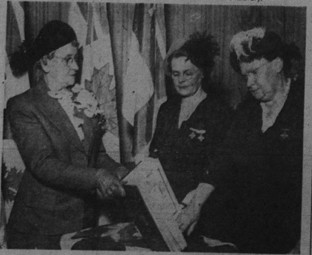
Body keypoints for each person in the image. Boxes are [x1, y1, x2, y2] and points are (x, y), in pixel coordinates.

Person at [6, 20, 128, 249]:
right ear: (46, 62)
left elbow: (96, 155)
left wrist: (121, 172)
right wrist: (98, 177)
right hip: (40, 228)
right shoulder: (23, 105)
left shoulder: (84, 100)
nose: (75, 67)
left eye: (76, 59)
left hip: (82, 221)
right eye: (67, 59)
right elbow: (43, 164)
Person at [195, 27, 303, 253]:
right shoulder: (248, 109)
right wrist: (195, 205)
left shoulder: (304, 106)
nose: (249, 83)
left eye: (254, 72)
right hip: (249, 232)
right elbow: (224, 158)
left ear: (277, 64)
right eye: (245, 76)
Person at [149, 32, 232, 237]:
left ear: (202, 73)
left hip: (201, 211)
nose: (181, 80)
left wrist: (191, 204)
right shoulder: (167, 108)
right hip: (164, 207)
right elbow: (155, 156)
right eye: (176, 74)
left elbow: (219, 168)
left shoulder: (219, 111)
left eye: (188, 73)